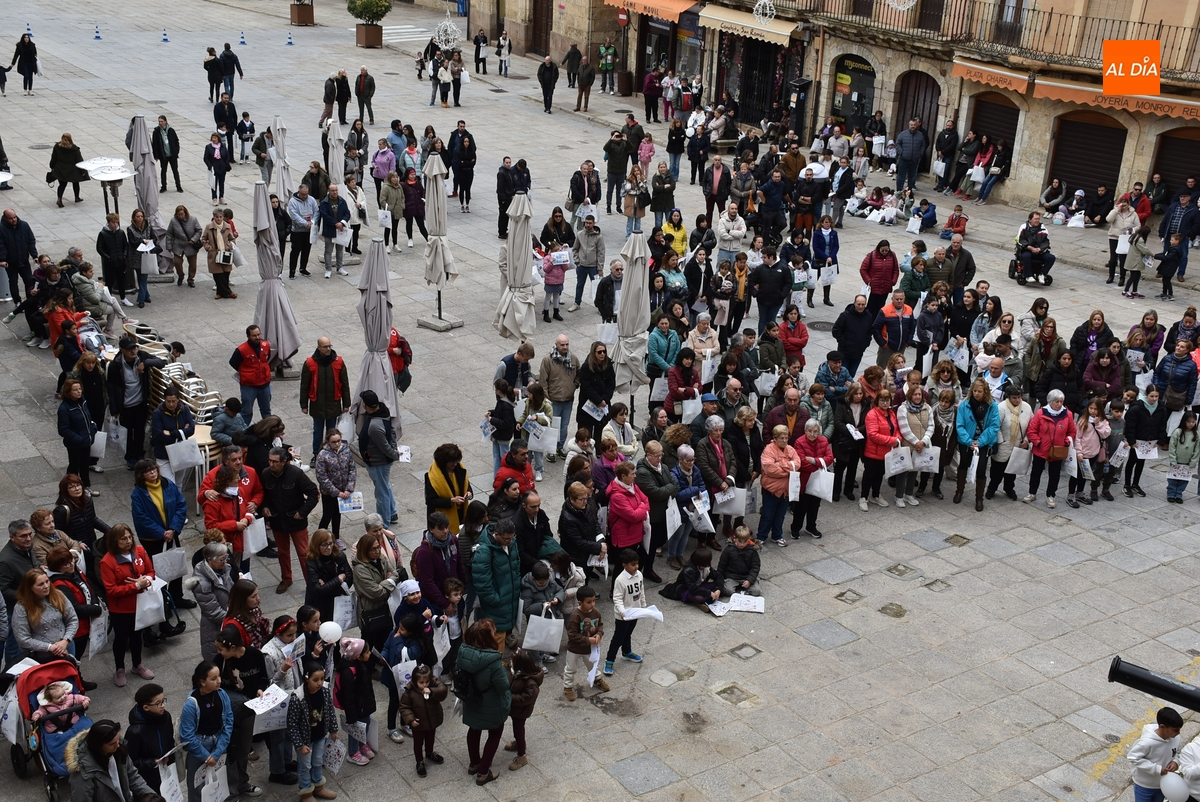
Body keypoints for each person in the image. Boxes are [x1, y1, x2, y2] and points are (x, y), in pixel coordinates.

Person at [99, 524, 156, 686]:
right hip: (121, 609)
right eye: (123, 538)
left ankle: (137, 665)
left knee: (137, 637)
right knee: (121, 639)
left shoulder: (139, 551)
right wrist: (136, 586)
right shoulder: (107, 562)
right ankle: (119, 668)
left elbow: (151, 571)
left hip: (140, 604)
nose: (128, 541)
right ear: (114, 541)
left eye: (129, 537)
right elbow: (111, 590)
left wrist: (147, 580)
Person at [457, 619, 511, 787]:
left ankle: (474, 763)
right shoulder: (493, 662)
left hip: (472, 701)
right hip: (491, 704)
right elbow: (503, 686)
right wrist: (510, 671)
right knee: (495, 734)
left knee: (474, 730)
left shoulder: (463, 652)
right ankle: (483, 772)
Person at [260, 446, 319, 594]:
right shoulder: (266, 474)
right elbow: (263, 494)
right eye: (270, 461)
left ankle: (311, 582)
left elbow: (313, 493)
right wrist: (264, 507)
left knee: (304, 553)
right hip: (277, 521)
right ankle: (286, 579)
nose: (271, 464)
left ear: (284, 462)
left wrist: (303, 512)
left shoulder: (296, 474)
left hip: (296, 521)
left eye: (275, 462)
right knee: (282, 552)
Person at [106, 336, 166, 470]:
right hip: (125, 405)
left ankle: (140, 455)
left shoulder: (141, 356)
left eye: (134, 348)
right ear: (122, 350)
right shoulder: (115, 365)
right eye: (129, 349)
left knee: (139, 431)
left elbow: (162, 362)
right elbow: (111, 388)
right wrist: (114, 409)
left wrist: (146, 363)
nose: (133, 351)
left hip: (140, 403)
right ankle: (130, 457)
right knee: (127, 432)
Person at [66, 720, 159, 802]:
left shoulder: (119, 750)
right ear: (98, 746)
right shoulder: (83, 773)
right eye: (112, 744)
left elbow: (132, 776)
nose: (118, 745)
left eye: (118, 740)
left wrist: (153, 797)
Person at [286, 660, 339, 801]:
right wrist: (300, 745)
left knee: (317, 762)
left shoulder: (325, 691)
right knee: (305, 766)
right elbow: (291, 724)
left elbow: (330, 711)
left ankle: (318, 786)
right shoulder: (297, 698)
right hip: (305, 741)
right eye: (316, 680)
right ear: (306, 678)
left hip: (320, 735)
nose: (320, 683)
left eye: (322, 679)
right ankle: (306, 792)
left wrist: (333, 730)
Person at [471, 522, 520, 653]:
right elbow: (482, 582)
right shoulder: (484, 551)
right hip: (497, 603)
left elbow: (516, 566)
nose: (510, 541)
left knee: (504, 632)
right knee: (497, 639)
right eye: (507, 539)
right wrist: (495, 599)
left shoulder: (512, 543)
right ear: (496, 535)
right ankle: (498, 668)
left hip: (510, 597)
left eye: (512, 537)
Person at [300, 338, 351, 462]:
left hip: (333, 403)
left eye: (329, 346)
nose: (328, 349)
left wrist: (346, 403)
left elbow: (344, 383)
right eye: (325, 347)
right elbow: (305, 385)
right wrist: (304, 404)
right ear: (319, 348)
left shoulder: (338, 362)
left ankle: (331, 452)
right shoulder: (310, 363)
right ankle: (317, 454)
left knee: (332, 431)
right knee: (317, 430)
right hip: (317, 404)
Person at [12, 568, 78, 662]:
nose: (46, 586)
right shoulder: (21, 608)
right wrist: (50, 647)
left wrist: (66, 640)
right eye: (40, 584)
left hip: (67, 648)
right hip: (42, 658)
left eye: (47, 581)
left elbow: (72, 619)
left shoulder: (58, 595)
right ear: (30, 588)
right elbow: (23, 639)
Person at [603, 548, 645, 676]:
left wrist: (643, 606)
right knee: (618, 638)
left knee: (628, 634)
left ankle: (627, 652)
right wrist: (622, 611)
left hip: (635, 611)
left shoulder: (639, 575)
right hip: (623, 615)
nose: (636, 567)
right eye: (633, 565)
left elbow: (641, 591)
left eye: (637, 564)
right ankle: (609, 660)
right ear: (624, 565)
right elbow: (617, 598)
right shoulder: (620, 580)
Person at [1127, 706, 1183, 802]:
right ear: (1162, 727)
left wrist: (1176, 762)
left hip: (1162, 784)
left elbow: (1177, 753)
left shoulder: (1176, 738)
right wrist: (1157, 769)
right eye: (1175, 730)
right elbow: (1133, 757)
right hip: (1144, 786)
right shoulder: (1147, 742)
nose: (1178, 733)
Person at [1159, 189, 1199, 280]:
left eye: (1184, 197)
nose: (1182, 198)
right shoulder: (1173, 207)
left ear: (1189, 198)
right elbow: (1165, 220)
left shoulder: (1193, 209)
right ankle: (1162, 271)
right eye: (1181, 197)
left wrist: (1190, 235)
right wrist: (1161, 232)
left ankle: (1180, 274)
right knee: (1166, 253)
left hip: (1182, 237)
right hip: (1170, 235)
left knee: (1183, 256)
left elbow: (1196, 224)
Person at [49, 133, 86, 208]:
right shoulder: (74, 149)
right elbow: (79, 160)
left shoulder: (57, 147)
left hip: (60, 169)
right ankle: (77, 197)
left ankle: (59, 199)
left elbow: (54, 158)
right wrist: (83, 171)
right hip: (72, 169)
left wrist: (52, 166)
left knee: (62, 185)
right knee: (75, 182)